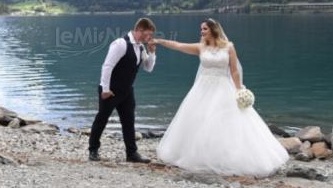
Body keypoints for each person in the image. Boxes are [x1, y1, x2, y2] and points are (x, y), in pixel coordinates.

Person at [153, 19, 288, 177]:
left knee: (227, 122)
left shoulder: (229, 47)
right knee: (200, 121)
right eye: (201, 29)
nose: (201, 32)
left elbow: (235, 71)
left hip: (224, 88)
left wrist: (239, 90)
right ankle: (201, 156)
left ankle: (227, 157)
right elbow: (178, 45)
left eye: (204, 29)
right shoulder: (201, 47)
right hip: (202, 90)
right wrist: (160, 41)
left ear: (213, 30)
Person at [88, 17, 157, 163]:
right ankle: (93, 150)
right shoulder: (120, 44)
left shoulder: (141, 47)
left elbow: (148, 68)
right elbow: (107, 66)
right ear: (139, 30)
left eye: (150, 35)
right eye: (147, 34)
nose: (149, 38)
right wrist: (105, 89)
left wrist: (152, 53)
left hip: (126, 91)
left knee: (129, 121)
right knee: (102, 119)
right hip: (110, 90)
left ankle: (131, 154)